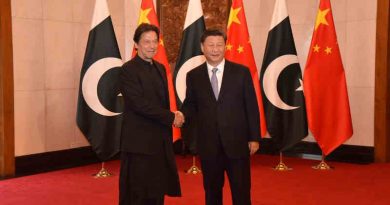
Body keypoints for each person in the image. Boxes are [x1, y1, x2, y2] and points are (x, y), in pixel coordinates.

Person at [181, 29, 260, 205]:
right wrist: (180, 114)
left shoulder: (241, 72)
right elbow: (191, 104)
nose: (215, 49)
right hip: (209, 145)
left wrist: (254, 137)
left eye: (219, 45)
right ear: (202, 47)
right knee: (212, 191)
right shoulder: (193, 75)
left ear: (225, 46)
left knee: (241, 191)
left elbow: (251, 107)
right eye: (211, 45)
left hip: (237, 143)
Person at [119, 23, 183, 205]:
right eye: (146, 42)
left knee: (156, 191)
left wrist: (174, 113)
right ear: (136, 44)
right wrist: (171, 117)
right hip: (138, 143)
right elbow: (138, 104)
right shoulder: (127, 70)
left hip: (159, 142)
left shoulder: (160, 68)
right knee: (137, 193)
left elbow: (161, 102)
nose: (152, 46)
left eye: (155, 41)